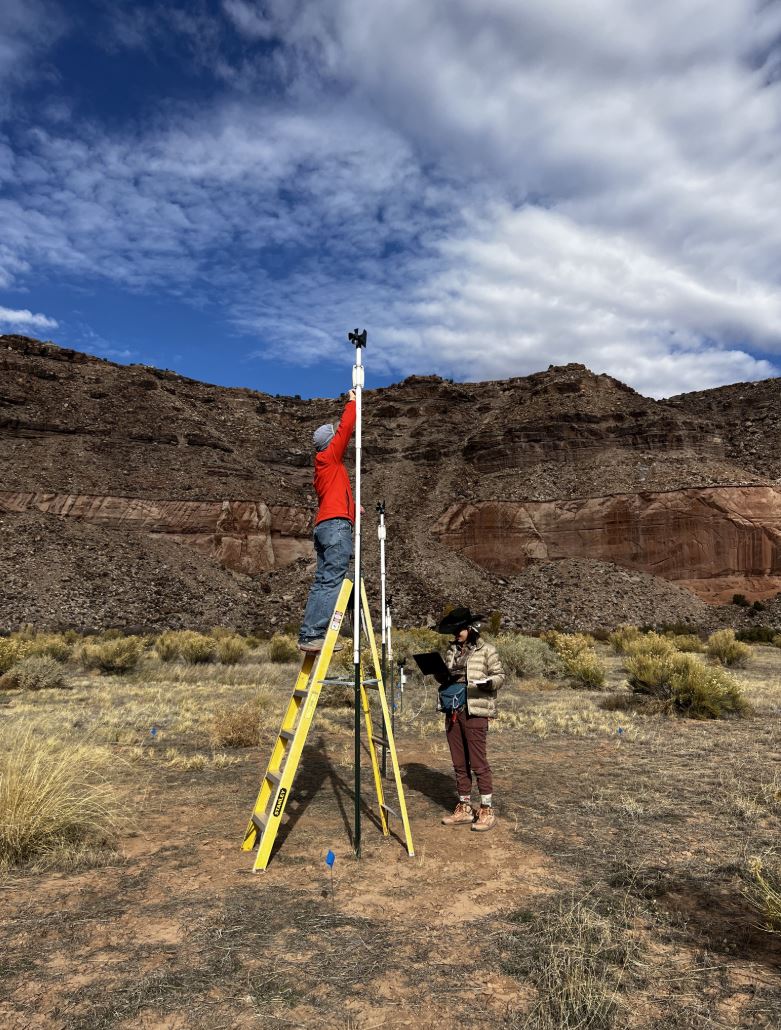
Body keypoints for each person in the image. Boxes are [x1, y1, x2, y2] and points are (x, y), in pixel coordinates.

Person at [297, 390, 357, 653]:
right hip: (335, 528)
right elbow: (346, 429)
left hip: (326, 525)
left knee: (323, 581)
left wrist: (355, 508)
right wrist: (353, 402)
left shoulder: (324, 468)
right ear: (330, 442)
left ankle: (310, 633)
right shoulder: (331, 457)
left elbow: (336, 495)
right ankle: (314, 636)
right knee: (332, 581)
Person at [437, 606, 505, 832]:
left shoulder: (487, 650)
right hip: (453, 710)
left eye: (459, 630)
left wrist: (489, 683)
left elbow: (499, 676)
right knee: (458, 762)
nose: (456, 634)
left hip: (475, 710)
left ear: (470, 628)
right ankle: (464, 808)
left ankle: (486, 810)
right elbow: (448, 678)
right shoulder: (452, 651)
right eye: (454, 630)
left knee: (478, 762)